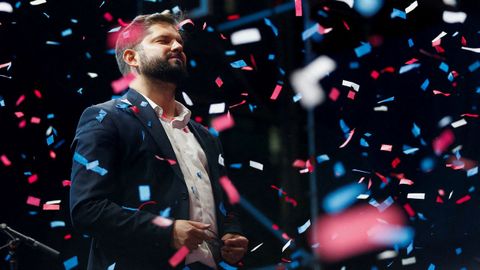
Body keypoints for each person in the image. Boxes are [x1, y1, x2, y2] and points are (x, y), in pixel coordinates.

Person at [69, 11, 248, 270]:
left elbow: (225, 205)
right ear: (133, 57)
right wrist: (167, 230)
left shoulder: (205, 136)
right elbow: (87, 210)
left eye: (179, 42)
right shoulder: (105, 118)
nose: (177, 46)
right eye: (163, 40)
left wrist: (232, 232)